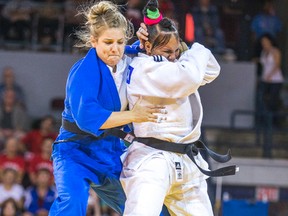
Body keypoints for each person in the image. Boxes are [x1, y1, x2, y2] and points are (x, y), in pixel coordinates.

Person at [48, 1, 162, 215]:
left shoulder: (129, 58)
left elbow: (149, 49)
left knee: (144, 205)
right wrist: (134, 115)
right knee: (72, 203)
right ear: (94, 41)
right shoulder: (84, 71)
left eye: (120, 42)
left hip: (110, 152)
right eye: (108, 42)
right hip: (75, 151)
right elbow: (88, 118)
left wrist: (150, 33)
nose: (115, 48)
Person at [120, 0, 224, 215]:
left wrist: (183, 52)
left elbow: (213, 70)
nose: (173, 56)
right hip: (152, 160)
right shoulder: (143, 68)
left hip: (187, 160)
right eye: (167, 51)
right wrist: (197, 49)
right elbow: (192, 75)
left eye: (176, 51)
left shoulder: (175, 65)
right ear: (148, 46)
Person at [258, 33, 284, 127]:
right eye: (262, 42)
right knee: (263, 100)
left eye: (265, 41)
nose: (264, 43)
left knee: (273, 101)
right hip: (265, 79)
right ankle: (265, 121)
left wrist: (270, 75)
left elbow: (277, 65)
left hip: (275, 80)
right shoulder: (263, 52)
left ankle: (274, 123)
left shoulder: (275, 51)